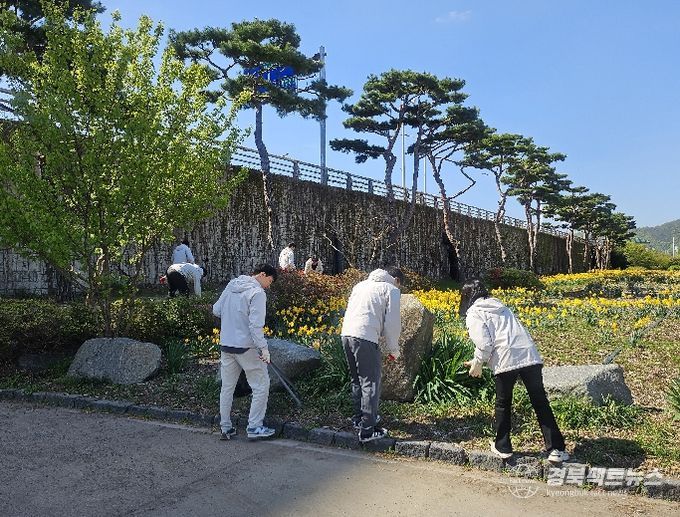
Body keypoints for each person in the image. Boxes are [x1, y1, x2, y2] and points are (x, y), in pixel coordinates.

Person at [460, 278, 569, 463]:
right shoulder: (502, 307)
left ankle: (503, 447)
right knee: (540, 401)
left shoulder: (474, 313)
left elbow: (484, 344)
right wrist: (477, 360)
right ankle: (556, 449)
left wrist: (478, 363)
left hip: (505, 359)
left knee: (503, 403)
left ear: (466, 295)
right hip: (528, 355)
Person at [213, 263, 278, 441]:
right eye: (270, 281)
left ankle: (225, 427)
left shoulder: (232, 285)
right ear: (262, 274)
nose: (269, 286)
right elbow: (256, 326)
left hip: (226, 345)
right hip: (247, 347)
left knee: (227, 387)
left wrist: (233, 317)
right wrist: (264, 349)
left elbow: (216, 310)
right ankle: (255, 427)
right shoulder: (257, 293)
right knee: (261, 386)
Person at [341, 267, 404, 443]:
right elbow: (392, 323)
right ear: (397, 280)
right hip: (365, 337)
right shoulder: (391, 289)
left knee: (357, 380)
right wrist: (394, 349)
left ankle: (359, 419)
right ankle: (367, 431)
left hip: (346, 334)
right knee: (371, 383)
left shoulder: (360, 285)